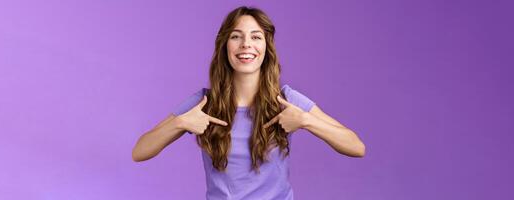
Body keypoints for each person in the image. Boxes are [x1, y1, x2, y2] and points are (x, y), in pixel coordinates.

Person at [132, 6, 365, 200]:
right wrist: (180, 123)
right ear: (225, 46)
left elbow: (356, 147)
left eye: (256, 36)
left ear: (266, 47)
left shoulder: (286, 100)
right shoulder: (204, 102)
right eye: (236, 36)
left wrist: (306, 120)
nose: (246, 44)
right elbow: (140, 151)